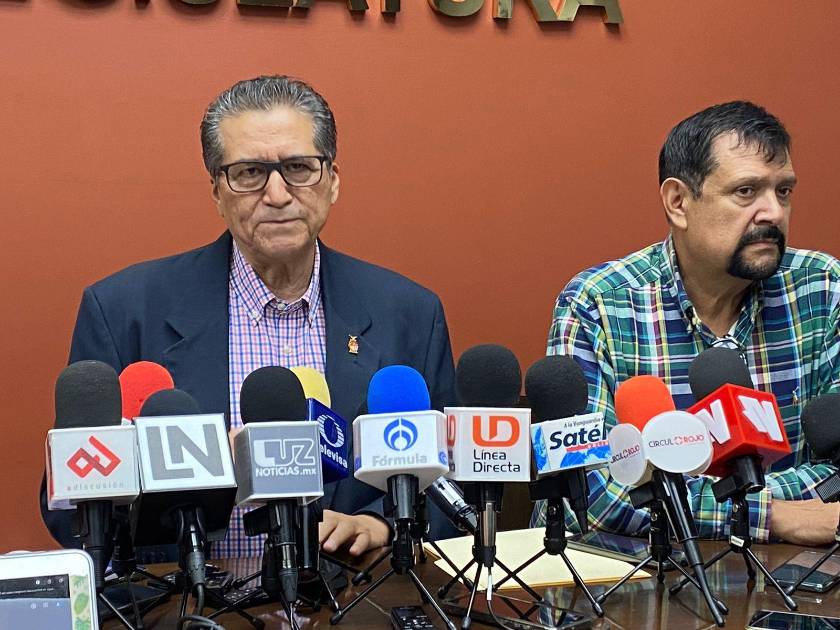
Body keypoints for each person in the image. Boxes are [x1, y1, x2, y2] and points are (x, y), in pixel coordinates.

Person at [42, 75, 457, 558]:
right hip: (185, 596)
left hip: (354, 592)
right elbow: (69, 505)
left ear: (333, 181)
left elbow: (453, 484)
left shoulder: (409, 313)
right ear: (217, 191)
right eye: (250, 173)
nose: (277, 194)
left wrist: (382, 524)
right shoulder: (123, 311)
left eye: (298, 168)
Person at [533, 101, 840, 545]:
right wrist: (770, 515)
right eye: (746, 191)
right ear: (678, 202)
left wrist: (699, 501)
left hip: (790, 579)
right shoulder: (599, 304)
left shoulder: (824, 289)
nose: (773, 212)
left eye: (784, 191)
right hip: (627, 576)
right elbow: (593, 494)